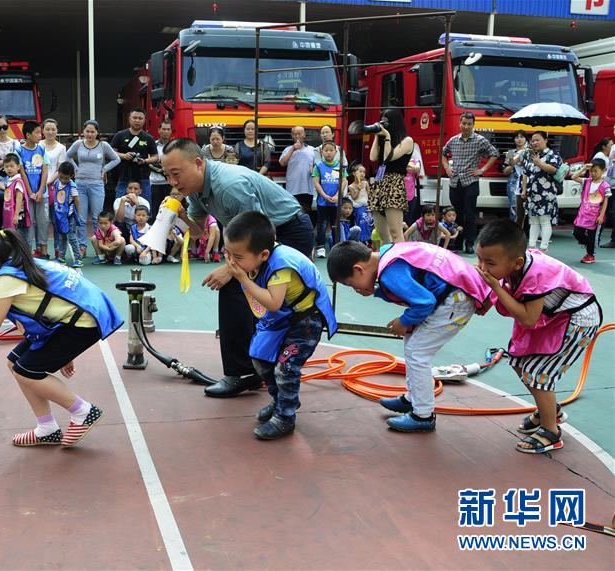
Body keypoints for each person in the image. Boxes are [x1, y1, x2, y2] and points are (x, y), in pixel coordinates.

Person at [161, 138, 315, 397]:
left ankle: (245, 372)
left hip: (288, 232)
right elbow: (199, 232)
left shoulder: (229, 185)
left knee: (255, 293)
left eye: (176, 174)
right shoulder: (196, 190)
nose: (173, 182)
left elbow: (258, 235)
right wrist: (181, 216)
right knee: (244, 292)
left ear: (198, 163)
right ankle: (257, 365)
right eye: (167, 176)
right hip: (263, 236)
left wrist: (230, 269)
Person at [0, 226, 122, 447]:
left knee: (27, 372)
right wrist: (61, 352)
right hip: (73, 317)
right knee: (14, 363)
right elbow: (42, 311)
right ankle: (47, 428)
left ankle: (83, 412)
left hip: (83, 321)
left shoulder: (7, 280)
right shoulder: (14, 266)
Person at [327, 240, 490, 432]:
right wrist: (378, 293)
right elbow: (412, 290)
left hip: (455, 301)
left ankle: (423, 415)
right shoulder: (390, 253)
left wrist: (403, 322)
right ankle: (414, 398)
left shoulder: (389, 273)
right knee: (412, 343)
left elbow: (423, 302)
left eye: (350, 284)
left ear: (358, 269)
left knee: (417, 352)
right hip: (455, 293)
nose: (354, 289)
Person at [474, 220, 601, 454]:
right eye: (480, 259)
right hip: (554, 318)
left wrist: (495, 289)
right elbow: (505, 286)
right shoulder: (513, 265)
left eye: (489, 263)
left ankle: (551, 431)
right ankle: (550, 409)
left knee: (538, 373)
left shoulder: (535, 274)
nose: (482, 267)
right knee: (518, 361)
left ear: (517, 262)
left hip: (578, 320)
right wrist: (486, 301)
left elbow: (527, 318)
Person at [222, 212, 337, 440]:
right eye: (227, 253)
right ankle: (281, 400)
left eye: (237, 257)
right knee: (260, 358)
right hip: (285, 317)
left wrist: (243, 279)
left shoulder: (280, 267)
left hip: (306, 320)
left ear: (263, 254)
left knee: (286, 367)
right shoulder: (258, 257)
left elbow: (273, 303)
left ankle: (285, 417)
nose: (231, 262)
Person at [441, 112, 499, 253]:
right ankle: (457, 242)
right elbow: (443, 153)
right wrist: (447, 168)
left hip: (471, 181)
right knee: (456, 214)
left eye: (469, 124)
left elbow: (495, 153)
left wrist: (482, 169)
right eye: (464, 123)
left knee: (470, 213)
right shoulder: (453, 140)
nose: (466, 126)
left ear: (473, 125)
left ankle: (469, 243)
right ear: (459, 123)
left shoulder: (480, 140)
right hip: (455, 181)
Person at [66, 120, 120, 256]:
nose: (89, 134)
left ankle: (101, 246)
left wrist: (104, 169)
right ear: (83, 132)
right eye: (87, 131)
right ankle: (82, 247)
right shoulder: (78, 144)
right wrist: (75, 168)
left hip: (97, 184)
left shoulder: (103, 145)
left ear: (97, 133)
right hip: (80, 185)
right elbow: (67, 156)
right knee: (81, 218)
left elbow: (116, 159)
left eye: (92, 131)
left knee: (97, 218)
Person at [369, 109, 414, 246]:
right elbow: (372, 157)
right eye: (382, 120)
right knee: (382, 233)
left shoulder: (407, 141)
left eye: (387, 121)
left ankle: (400, 262)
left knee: (395, 232)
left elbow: (389, 157)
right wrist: (378, 136)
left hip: (394, 184)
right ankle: (387, 261)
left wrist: (387, 136)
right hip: (379, 182)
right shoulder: (383, 140)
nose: (384, 124)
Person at [521, 131, 562, 253]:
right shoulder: (530, 155)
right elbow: (525, 174)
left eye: (537, 140)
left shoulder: (552, 154)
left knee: (544, 220)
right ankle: (532, 246)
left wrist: (540, 163)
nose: (534, 143)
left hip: (546, 193)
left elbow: (554, 170)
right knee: (533, 220)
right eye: (533, 141)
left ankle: (544, 248)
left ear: (545, 140)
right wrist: (524, 189)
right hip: (532, 193)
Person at [18, 120, 50, 258]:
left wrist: (41, 191)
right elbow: (22, 172)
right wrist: (30, 192)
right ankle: (29, 250)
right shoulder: (19, 150)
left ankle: (43, 249)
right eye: (37, 132)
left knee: (43, 221)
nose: (40, 135)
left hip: (42, 193)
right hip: (26, 194)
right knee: (29, 222)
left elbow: (45, 171)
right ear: (28, 135)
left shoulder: (42, 149)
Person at [0, 115, 23, 229]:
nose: (2, 130)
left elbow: (17, 164)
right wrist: (7, 162)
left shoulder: (15, 143)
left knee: (10, 216)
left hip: (12, 182)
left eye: (4, 127)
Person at [112, 108, 158, 204]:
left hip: (143, 178)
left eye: (140, 118)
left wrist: (145, 161)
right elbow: (111, 153)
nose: (137, 120)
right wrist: (124, 156)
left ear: (144, 120)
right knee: (119, 206)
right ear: (129, 119)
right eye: (135, 118)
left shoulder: (148, 138)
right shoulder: (120, 135)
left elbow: (156, 157)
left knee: (144, 208)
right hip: (123, 177)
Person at [570, 158, 610, 264]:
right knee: (576, 232)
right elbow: (573, 177)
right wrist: (584, 168)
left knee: (592, 237)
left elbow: (605, 202)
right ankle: (589, 245)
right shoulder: (587, 181)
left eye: (595, 171)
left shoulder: (605, 186)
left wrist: (601, 216)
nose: (592, 173)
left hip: (595, 217)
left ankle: (590, 255)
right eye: (591, 171)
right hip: (583, 214)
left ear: (603, 170)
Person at [312, 140, 346, 258]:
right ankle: (320, 247)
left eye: (331, 150)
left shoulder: (340, 166)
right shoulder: (318, 166)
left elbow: (344, 181)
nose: (328, 153)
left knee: (335, 224)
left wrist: (337, 195)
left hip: (336, 203)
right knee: (322, 224)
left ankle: (336, 248)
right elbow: (316, 182)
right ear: (322, 152)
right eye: (326, 150)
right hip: (322, 202)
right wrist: (324, 195)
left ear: (335, 152)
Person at [278, 126, 318, 227]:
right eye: (295, 134)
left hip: (307, 187)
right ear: (292, 136)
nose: (297, 136)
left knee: (307, 212)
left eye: (300, 133)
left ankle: (307, 231)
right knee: (292, 211)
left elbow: (317, 166)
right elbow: (282, 163)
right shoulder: (288, 149)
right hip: (292, 187)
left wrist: (313, 169)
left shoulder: (312, 150)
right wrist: (293, 149)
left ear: (304, 135)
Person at [41, 119, 67, 256]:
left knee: (56, 219)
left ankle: (58, 249)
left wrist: (47, 183)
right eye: (47, 129)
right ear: (42, 130)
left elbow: (60, 169)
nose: (50, 132)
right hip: (38, 187)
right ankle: (41, 249)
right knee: (41, 221)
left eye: (53, 129)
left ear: (57, 131)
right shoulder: (38, 145)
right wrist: (40, 185)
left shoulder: (61, 148)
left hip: (55, 188)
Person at [50, 161, 83, 267]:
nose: (64, 180)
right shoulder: (56, 183)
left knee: (72, 237)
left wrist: (79, 213)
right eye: (62, 177)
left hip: (70, 216)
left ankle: (78, 259)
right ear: (58, 173)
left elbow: (76, 200)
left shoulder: (72, 186)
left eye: (66, 178)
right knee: (62, 237)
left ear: (71, 176)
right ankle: (61, 258)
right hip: (60, 216)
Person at [0, 153, 28, 238]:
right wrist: (4, 188)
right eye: (6, 167)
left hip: (17, 215)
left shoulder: (18, 181)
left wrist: (15, 215)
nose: (9, 169)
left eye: (11, 166)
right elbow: (11, 193)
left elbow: (19, 199)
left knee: (17, 237)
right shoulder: (10, 180)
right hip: (10, 212)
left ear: (18, 167)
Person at [149, 120, 173, 220]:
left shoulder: (175, 146)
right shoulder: (153, 145)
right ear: (159, 130)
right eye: (163, 129)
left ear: (171, 131)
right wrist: (161, 170)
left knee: (171, 212)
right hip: (156, 183)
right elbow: (149, 163)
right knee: (155, 213)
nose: (166, 131)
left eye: (168, 129)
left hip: (172, 184)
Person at [502, 130, 528, 223]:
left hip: (528, 180)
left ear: (526, 139)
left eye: (522, 137)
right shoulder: (511, 152)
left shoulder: (530, 151)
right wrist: (512, 162)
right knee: (514, 207)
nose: (519, 139)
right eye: (517, 137)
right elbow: (505, 171)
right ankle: (514, 230)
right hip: (514, 181)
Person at [348, 163, 372, 244]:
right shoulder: (351, 186)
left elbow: (369, 194)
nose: (362, 174)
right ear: (354, 173)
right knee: (362, 220)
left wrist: (370, 205)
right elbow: (354, 197)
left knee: (369, 221)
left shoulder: (365, 183)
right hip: (358, 206)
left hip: (366, 206)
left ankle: (368, 238)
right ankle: (362, 238)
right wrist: (358, 189)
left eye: (364, 172)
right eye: (360, 171)